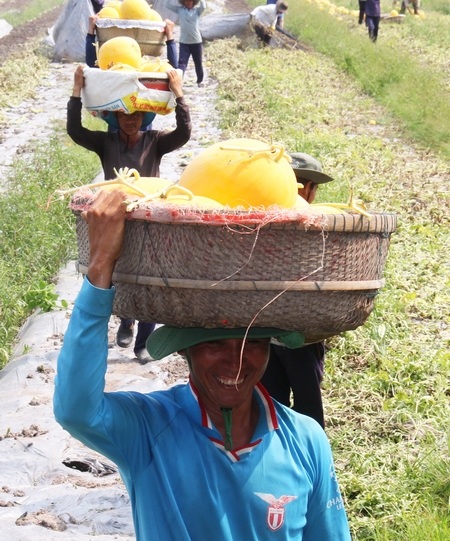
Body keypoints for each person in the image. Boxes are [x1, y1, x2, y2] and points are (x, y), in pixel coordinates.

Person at [53, 190, 352, 541]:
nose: (236, 361)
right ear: (185, 351)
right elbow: (75, 410)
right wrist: (101, 263)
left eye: (252, 343)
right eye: (213, 343)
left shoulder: (304, 440)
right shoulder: (149, 430)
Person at [66, 65, 191, 364]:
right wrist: (76, 90)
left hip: (149, 216)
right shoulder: (105, 143)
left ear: (144, 118)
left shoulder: (156, 141)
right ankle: (126, 320)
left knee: (150, 276)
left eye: (136, 115)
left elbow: (184, 134)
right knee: (121, 274)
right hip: (117, 217)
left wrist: (179, 94)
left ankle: (145, 341)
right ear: (116, 117)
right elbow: (74, 130)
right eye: (125, 115)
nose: (131, 120)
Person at [261, 153, 334, 428]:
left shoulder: (262, 218)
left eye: (304, 185)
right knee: (292, 410)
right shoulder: (316, 224)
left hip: (279, 337)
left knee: (286, 409)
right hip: (286, 338)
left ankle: (298, 459)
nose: (302, 191)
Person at [165, 0, 206, 87]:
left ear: (193, 1)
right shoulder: (180, 10)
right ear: (184, 2)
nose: (188, 2)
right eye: (186, 0)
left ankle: (199, 81)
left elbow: (204, 6)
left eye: (190, 0)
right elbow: (167, 4)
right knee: (182, 64)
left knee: (198, 63)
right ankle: (178, 81)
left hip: (196, 41)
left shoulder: (197, 11)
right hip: (184, 42)